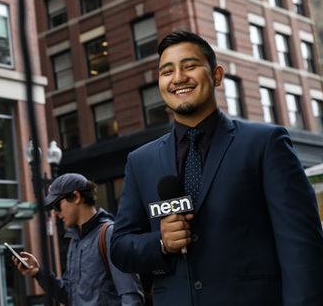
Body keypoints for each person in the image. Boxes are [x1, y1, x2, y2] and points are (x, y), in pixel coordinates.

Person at [110, 30, 323, 305]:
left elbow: (302, 247)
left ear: (217, 75)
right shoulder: (140, 161)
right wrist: (161, 243)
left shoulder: (265, 143)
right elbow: (120, 247)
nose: (178, 78)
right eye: (167, 71)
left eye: (190, 66)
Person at [13, 173, 145, 305]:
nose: (56, 212)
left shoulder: (109, 234)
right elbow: (68, 295)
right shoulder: (75, 241)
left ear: (76, 197)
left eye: (57, 205)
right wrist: (38, 273)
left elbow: (131, 295)